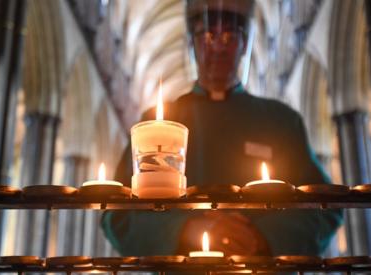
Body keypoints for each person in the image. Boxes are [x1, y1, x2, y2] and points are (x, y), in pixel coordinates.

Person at [102, 0, 342, 257]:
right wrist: (186, 229)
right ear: (192, 43)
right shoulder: (154, 125)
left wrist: (263, 236)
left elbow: (325, 207)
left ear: (244, 43)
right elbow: (117, 213)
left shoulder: (281, 121)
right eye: (207, 34)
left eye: (229, 35)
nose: (217, 46)